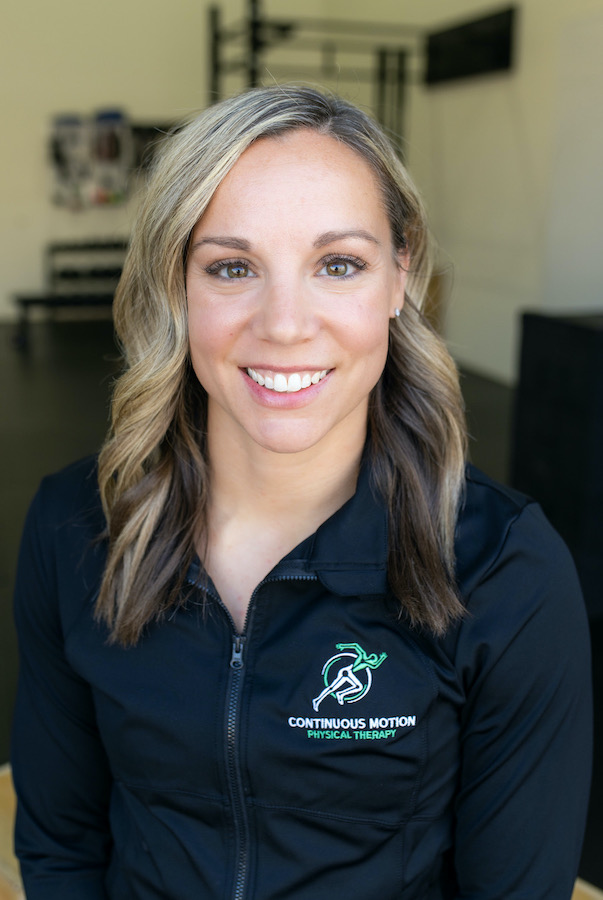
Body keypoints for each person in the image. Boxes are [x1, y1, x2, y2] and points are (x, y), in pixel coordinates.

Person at [11, 85, 592, 900]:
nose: (285, 323)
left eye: (337, 264)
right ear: (175, 286)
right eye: (233, 266)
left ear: (401, 278)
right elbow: (62, 845)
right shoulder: (77, 528)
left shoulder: (504, 572)